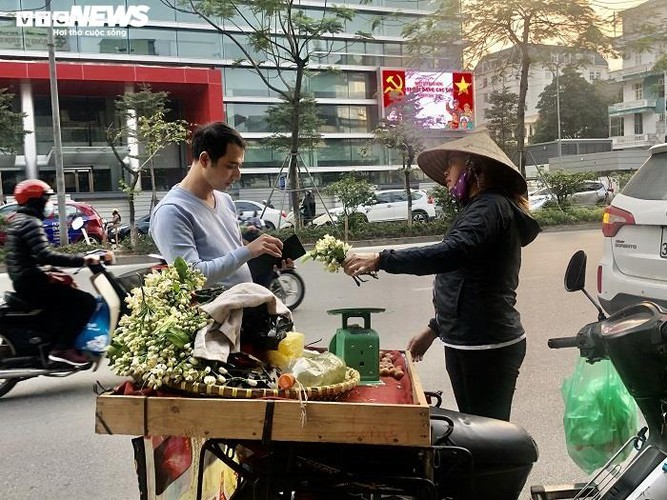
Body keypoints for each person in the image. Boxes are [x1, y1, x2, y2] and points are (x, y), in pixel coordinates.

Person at [342, 132, 541, 421]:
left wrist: (381, 259)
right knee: (479, 428)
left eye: (452, 163)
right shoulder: (481, 209)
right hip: (469, 340)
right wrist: (436, 328)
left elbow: (452, 253)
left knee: (488, 436)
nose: (446, 172)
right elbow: (464, 277)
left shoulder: (489, 207)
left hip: (485, 344)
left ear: (474, 167)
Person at [150, 121, 287, 288]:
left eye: (239, 166)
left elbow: (233, 260)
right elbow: (191, 277)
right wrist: (248, 251)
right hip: (215, 312)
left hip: (247, 304)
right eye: (230, 166)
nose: (237, 175)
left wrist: (267, 257)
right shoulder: (172, 212)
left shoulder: (225, 200)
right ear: (205, 159)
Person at [5, 179, 102, 367]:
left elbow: (34, 258)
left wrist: (52, 272)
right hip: (32, 282)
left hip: (26, 280)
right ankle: (63, 348)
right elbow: (45, 254)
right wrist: (83, 259)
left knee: (65, 297)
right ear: (36, 201)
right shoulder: (31, 222)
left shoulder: (18, 220)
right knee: (85, 302)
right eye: (46, 198)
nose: (48, 203)